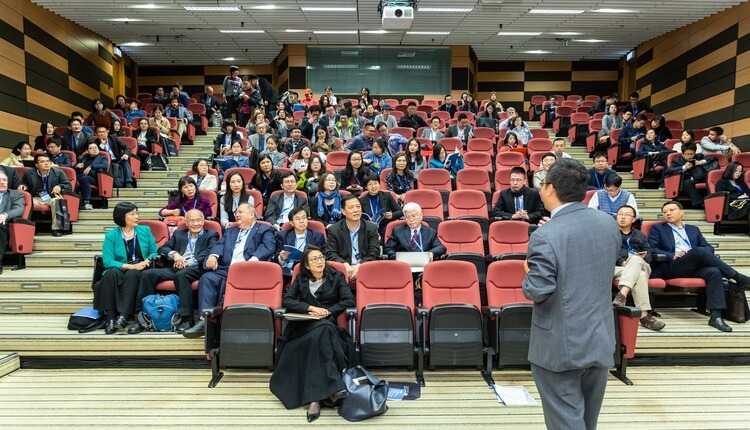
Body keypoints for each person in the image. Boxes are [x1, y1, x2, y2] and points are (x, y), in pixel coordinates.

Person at [522, 158, 621, 430]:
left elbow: (537, 290)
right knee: (588, 423)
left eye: (542, 185)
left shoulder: (546, 235)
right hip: (599, 339)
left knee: (566, 423)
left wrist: (527, 270)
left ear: (550, 188)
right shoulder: (608, 223)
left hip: (559, 348)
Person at [269, 246, 356, 421]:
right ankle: (333, 388)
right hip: (304, 325)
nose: (320, 261)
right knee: (320, 336)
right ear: (307, 266)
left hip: (327, 323)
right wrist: (310, 308)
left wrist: (327, 311)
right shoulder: (301, 279)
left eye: (321, 257)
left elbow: (349, 299)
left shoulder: (336, 276)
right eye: (314, 259)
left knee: (323, 331)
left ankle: (315, 399)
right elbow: (287, 299)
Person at [649, 201, 750, 332]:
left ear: (682, 212)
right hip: (671, 266)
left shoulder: (693, 229)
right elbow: (652, 248)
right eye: (665, 212)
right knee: (699, 251)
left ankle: (716, 316)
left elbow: (708, 247)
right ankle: (737, 277)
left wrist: (696, 255)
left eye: (672, 210)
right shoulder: (659, 229)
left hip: (694, 265)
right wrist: (673, 255)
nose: (668, 213)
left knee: (713, 271)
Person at [183, 203, 275, 337]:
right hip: (227, 269)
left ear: (251, 214)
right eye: (236, 212)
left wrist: (253, 261)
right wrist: (213, 256)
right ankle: (205, 319)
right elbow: (219, 244)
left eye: (240, 212)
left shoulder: (264, 229)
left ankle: (220, 323)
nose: (236, 215)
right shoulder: (231, 230)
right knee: (207, 278)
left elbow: (268, 247)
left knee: (226, 285)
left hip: (249, 270)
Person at [129, 209, 220, 334]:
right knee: (147, 274)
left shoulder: (211, 234)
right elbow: (163, 248)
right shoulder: (179, 234)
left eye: (198, 220)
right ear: (186, 223)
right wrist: (175, 255)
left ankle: (187, 318)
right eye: (191, 220)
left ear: (203, 221)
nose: (195, 223)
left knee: (181, 275)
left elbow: (209, 252)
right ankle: (142, 317)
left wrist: (188, 262)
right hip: (176, 266)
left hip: (197, 268)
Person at [94, 202, 158, 334]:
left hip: (140, 269)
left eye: (137, 213)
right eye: (132, 214)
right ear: (122, 216)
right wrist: (130, 266)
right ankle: (110, 319)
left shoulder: (144, 230)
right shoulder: (111, 235)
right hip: (119, 268)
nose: (136, 216)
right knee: (109, 274)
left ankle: (123, 316)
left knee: (133, 273)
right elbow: (108, 261)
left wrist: (146, 261)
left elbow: (154, 252)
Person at [612, 205, 665, 331]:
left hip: (641, 265)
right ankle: (644, 315)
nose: (623, 217)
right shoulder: (610, 233)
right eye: (620, 214)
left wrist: (643, 257)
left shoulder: (640, 235)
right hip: (618, 267)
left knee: (636, 260)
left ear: (633, 219)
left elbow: (649, 253)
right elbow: (605, 251)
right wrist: (622, 261)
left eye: (627, 214)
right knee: (640, 275)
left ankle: (622, 295)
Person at [324, 194, 380, 280]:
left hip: (366, 267)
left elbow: (374, 251)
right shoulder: (334, 230)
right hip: (342, 270)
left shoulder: (371, 228)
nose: (356, 210)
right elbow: (330, 252)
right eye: (351, 207)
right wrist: (344, 264)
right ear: (343, 211)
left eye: (358, 206)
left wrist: (361, 264)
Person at [20, 153, 72, 237]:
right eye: (43, 162)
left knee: (57, 201)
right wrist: (23, 186)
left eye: (48, 161)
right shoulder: (29, 173)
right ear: (37, 165)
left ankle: (57, 229)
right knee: (23, 202)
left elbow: (68, 185)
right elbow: (24, 183)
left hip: (51, 197)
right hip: (36, 197)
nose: (47, 163)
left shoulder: (58, 172)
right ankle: (25, 227)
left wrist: (59, 186)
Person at [275, 206, 326, 277]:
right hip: (288, 272)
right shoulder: (282, 236)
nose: (301, 221)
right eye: (297, 219)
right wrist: (281, 258)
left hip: (311, 271)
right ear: (291, 223)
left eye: (304, 217)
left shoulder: (317, 236)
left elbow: (324, 256)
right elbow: (275, 257)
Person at [664, 142, 716, 209]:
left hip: (700, 178)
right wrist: (683, 167)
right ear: (682, 154)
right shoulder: (677, 161)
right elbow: (668, 171)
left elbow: (714, 158)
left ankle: (714, 202)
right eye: (687, 154)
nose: (690, 156)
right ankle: (699, 203)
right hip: (686, 180)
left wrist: (701, 162)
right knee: (687, 183)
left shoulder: (698, 156)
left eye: (692, 154)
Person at [0, 170, 25, 274]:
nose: (2, 182)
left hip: (6, 226)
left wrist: (4, 215)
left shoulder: (15, 194)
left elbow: (18, 209)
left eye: (5, 180)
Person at [75, 142, 108, 211]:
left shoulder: (102, 158)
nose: (94, 149)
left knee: (85, 178)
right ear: (87, 151)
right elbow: (75, 166)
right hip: (79, 175)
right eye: (91, 148)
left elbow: (105, 166)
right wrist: (76, 166)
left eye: (95, 148)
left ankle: (86, 202)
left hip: (93, 178)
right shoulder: (84, 158)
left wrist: (91, 166)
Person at [715, 162, 750, 227]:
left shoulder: (741, 183)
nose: (738, 173)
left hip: (745, 203)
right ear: (730, 170)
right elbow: (721, 196)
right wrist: (738, 197)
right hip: (732, 207)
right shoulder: (722, 182)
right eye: (736, 170)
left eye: (740, 171)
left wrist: (746, 196)